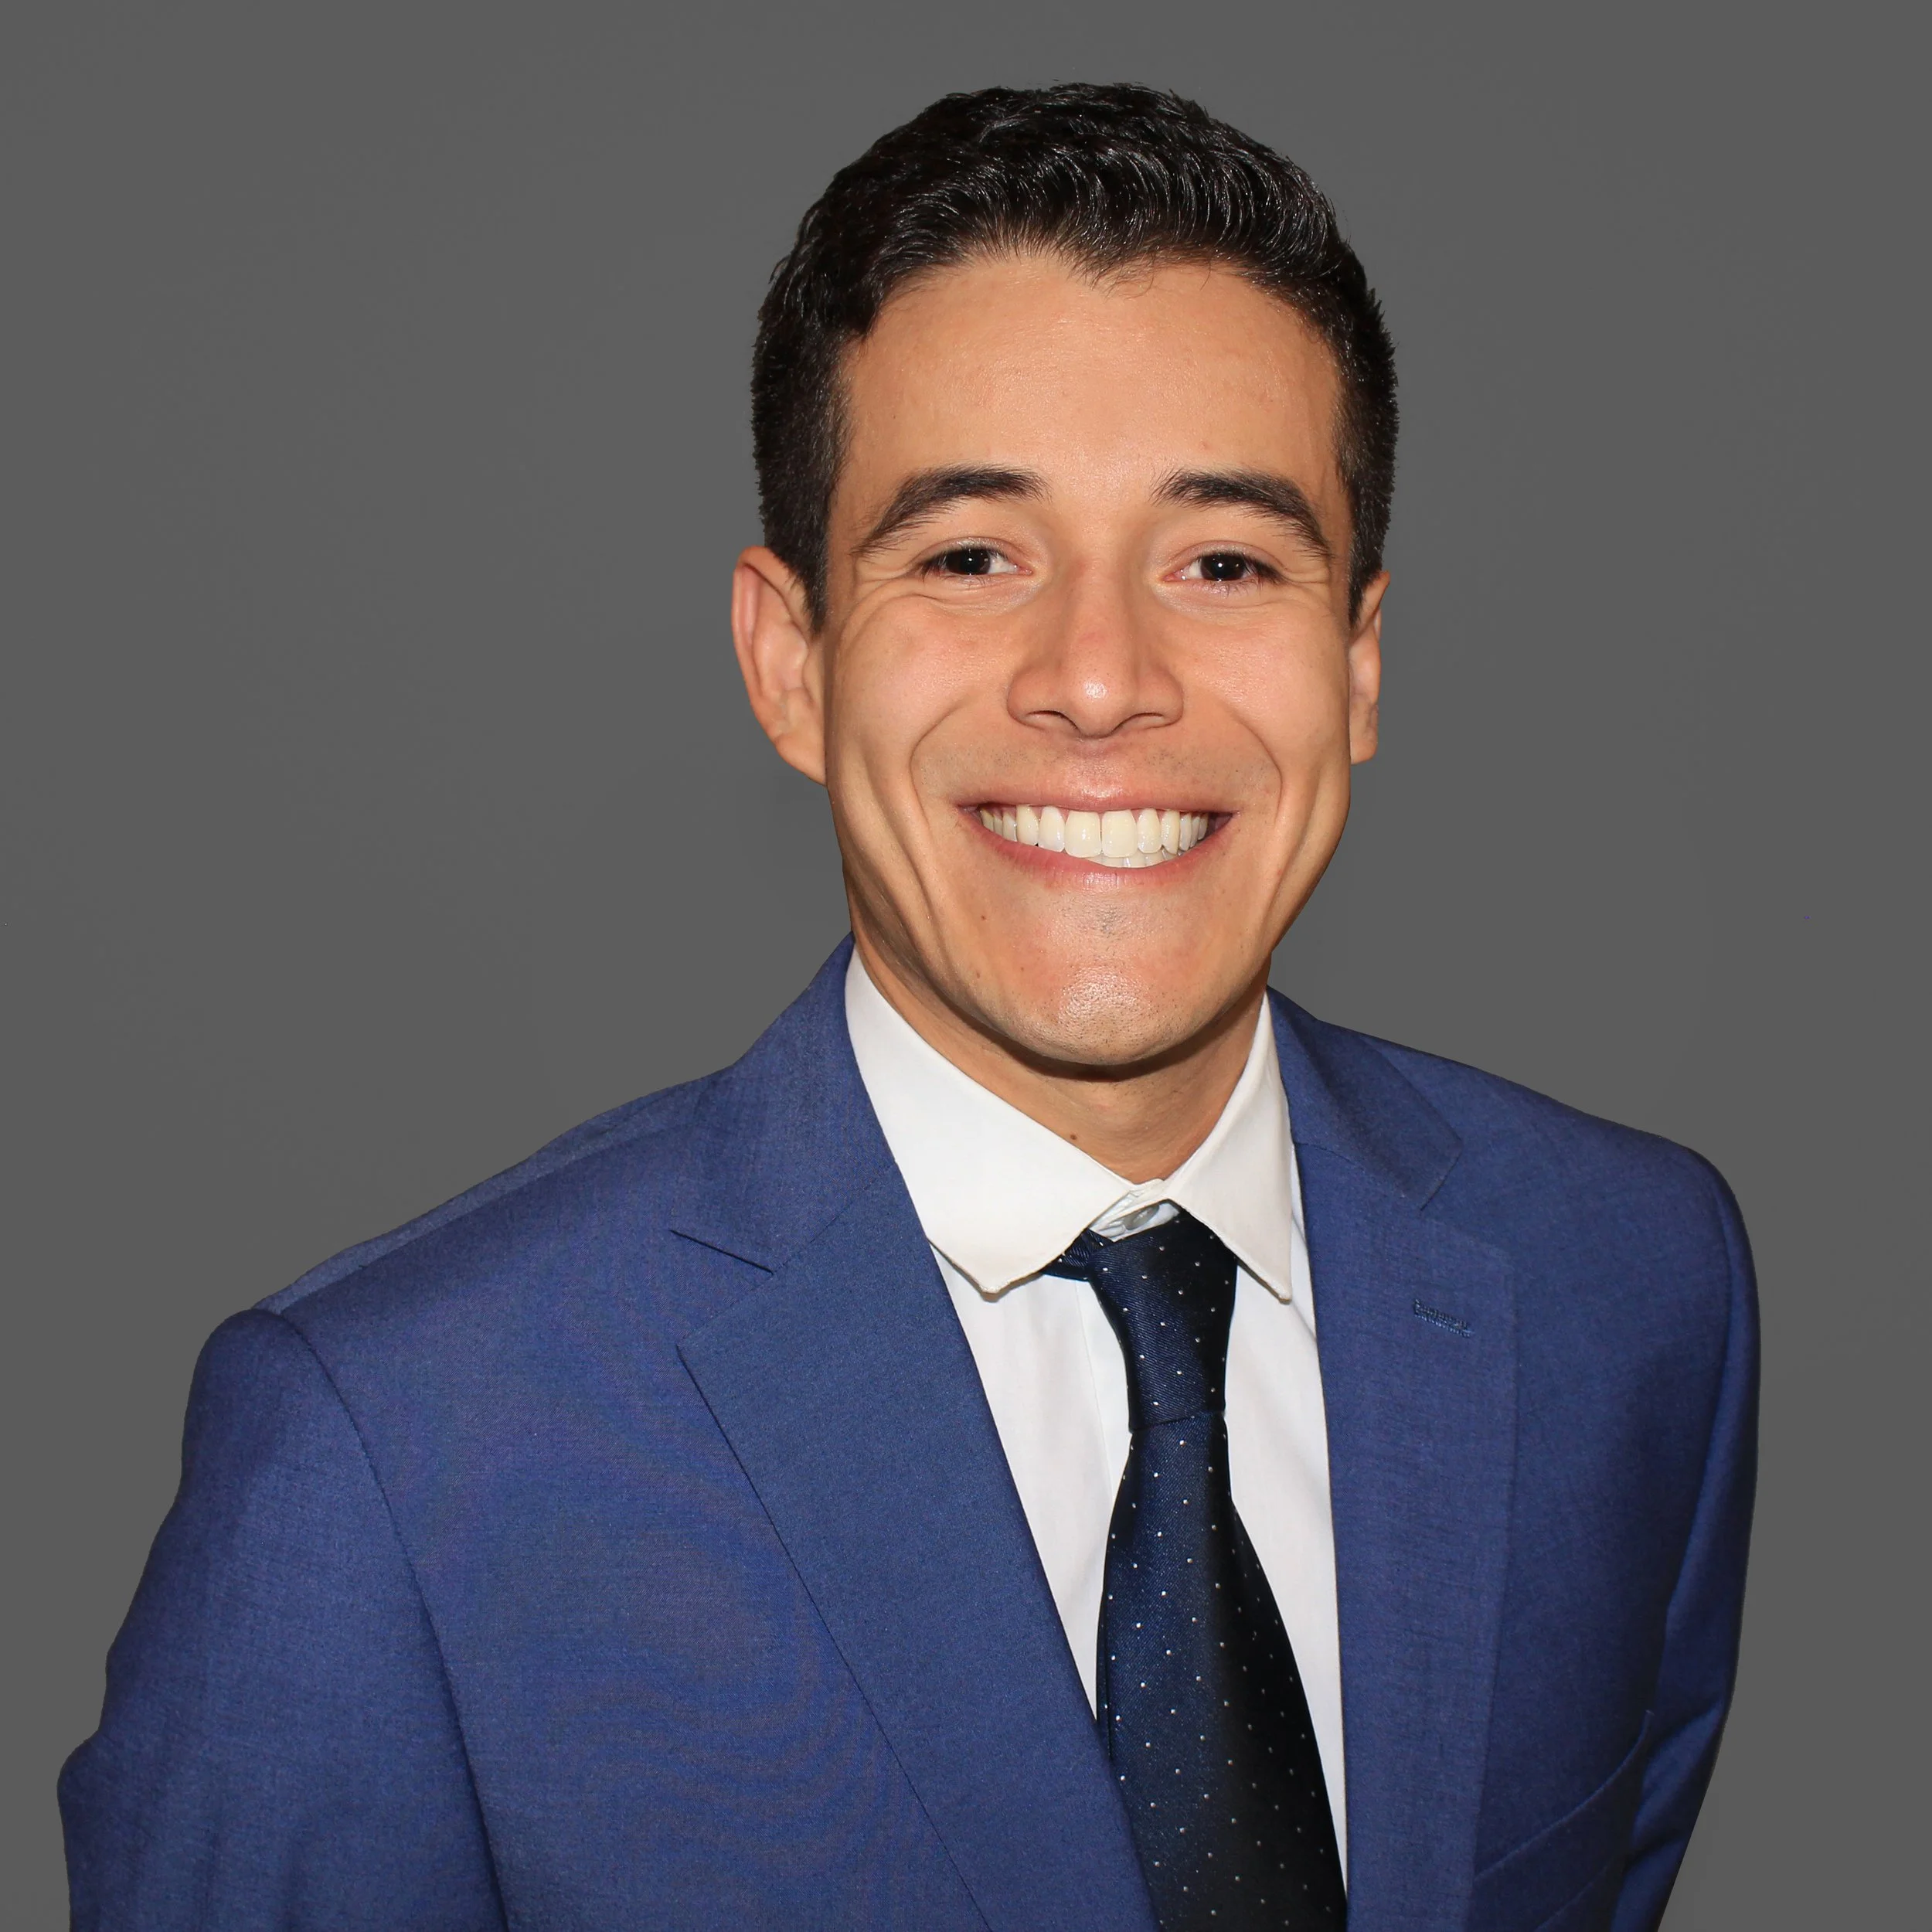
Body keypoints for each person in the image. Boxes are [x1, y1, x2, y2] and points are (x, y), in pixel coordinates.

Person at [59, 84, 1756, 1932]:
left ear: (1355, 661)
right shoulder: (385, 1455)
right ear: (790, 664)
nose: (1100, 678)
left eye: (1224, 561)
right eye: (969, 556)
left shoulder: (1631, 1286)